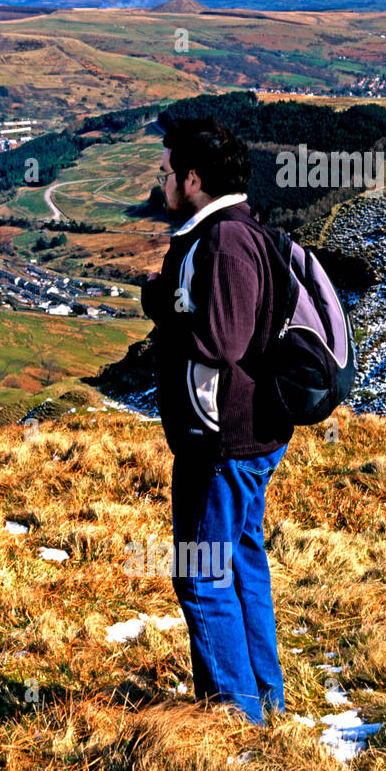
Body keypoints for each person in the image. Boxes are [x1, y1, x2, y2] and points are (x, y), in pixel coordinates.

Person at [140, 118, 293, 726]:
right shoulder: (242, 229)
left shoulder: (224, 240)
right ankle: (263, 703)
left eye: (169, 172)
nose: (163, 181)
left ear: (194, 179)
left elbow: (221, 340)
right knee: (239, 563)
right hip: (249, 433)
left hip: (221, 439)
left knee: (201, 575)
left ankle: (233, 724)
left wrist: (159, 304)